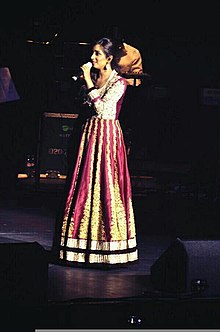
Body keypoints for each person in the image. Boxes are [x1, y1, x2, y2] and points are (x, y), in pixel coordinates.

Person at [52, 37, 138, 267]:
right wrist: (85, 84)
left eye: (97, 54)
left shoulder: (120, 83)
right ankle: (80, 245)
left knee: (106, 188)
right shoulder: (91, 80)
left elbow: (102, 110)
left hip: (108, 140)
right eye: (93, 54)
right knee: (84, 186)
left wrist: (89, 81)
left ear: (109, 59)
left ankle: (107, 245)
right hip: (89, 136)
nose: (92, 58)